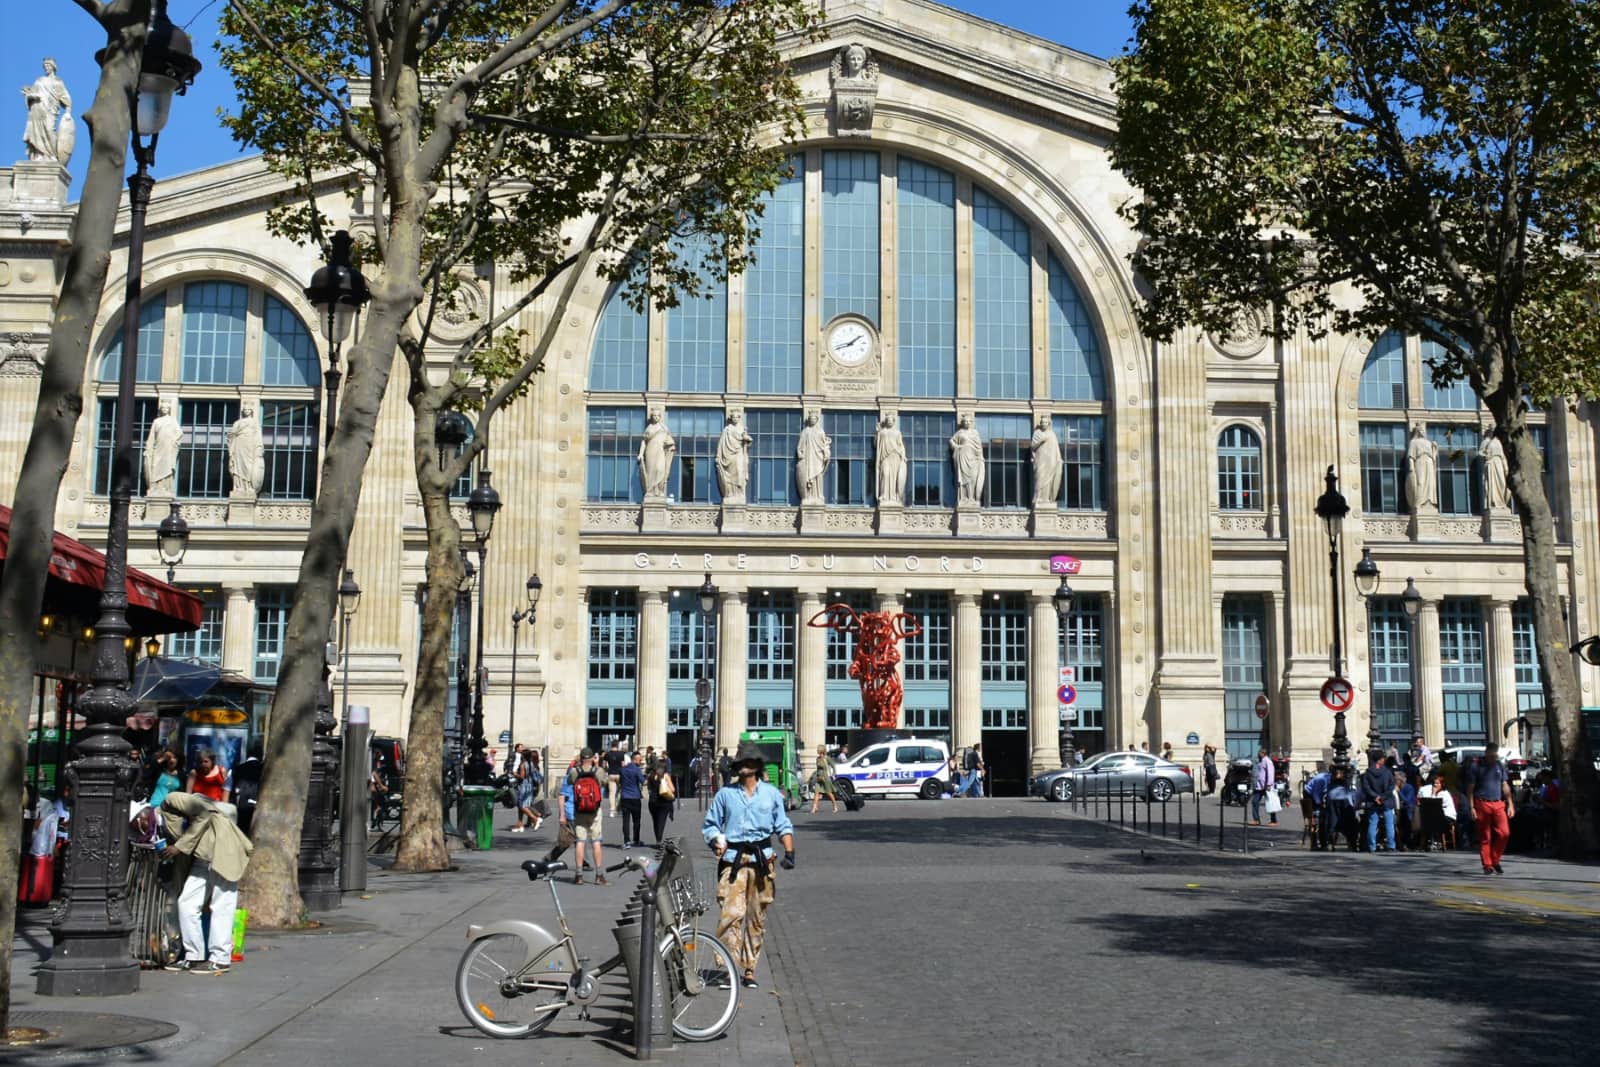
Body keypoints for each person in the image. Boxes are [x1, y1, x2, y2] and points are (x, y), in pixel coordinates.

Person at [702, 742, 796, 991]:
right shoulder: (725, 795)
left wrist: (789, 851)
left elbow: (783, 824)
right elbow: (710, 825)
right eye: (740, 763)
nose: (742, 766)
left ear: (755, 766)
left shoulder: (771, 794)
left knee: (756, 918)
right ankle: (729, 969)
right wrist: (716, 840)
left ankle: (749, 969)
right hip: (733, 860)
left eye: (747, 762)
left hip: (762, 861)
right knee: (730, 915)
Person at [161, 792, 253, 974]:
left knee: (221, 905)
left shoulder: (172, 799)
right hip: (203, 856)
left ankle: (220, 959)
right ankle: (193, 956)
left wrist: (178, 847)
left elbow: (204, 813)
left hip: (223, 848)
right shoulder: (162, 823)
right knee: (186, 903)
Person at [1463, 740, 1514, 874]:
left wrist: (1510, 804)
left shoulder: (1499, 765)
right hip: (1482, 803)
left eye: (1495, 756)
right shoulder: (1476, 766)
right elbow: (1470, 788)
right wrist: (1472, 807)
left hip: (1498, 803)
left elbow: (1504, 785)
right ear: (1486, 753)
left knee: (1504, 833)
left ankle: (1495, 859)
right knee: (1485, 837)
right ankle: (1488, 865)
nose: (1493, 758)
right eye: (1491, 755)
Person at [563, 748, 609, 884]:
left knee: (580, 842)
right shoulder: (598, 771)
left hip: (580, 810)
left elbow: (570, 782)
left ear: (581, 757)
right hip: (594, 810)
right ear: (592, 757)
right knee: (596, 842)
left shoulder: (574, 771)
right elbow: (604, 782)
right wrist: (597, 765)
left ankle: (579, 875)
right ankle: (599, 875)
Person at [1360, 753, 1398, 853]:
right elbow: (1391, 786)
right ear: (1381, 759)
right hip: (1386, 801)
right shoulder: (1387, 772)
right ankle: (1391, 845)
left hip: (1373, 801)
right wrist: (1383, 797)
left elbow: (1366, 787)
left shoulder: (1368, 772)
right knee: (1389, 824)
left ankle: (1372, 846)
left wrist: (1375, 796)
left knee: (1373, 823)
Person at [144, 399, 182, 496]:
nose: (165, 409)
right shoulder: (156, 421)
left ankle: (165, 488)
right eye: (163, 407)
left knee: (167, 467)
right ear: (160, 409)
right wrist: (148, 449)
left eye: (166, 408)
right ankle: (156, 487)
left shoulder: (172, 420)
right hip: (159, 447)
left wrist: (173, 440)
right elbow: (152, 436)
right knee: (155, 465)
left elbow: (179, 432)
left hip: (168, 448)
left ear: (169, 409)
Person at [795, 411, 831, 504]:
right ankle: (809, 495)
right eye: (810, 418)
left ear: (817, 420)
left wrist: (826, 452)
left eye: (814, 418)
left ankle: (818, 495)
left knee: (818, 476)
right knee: (808, 475)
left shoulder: (820, 431)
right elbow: (800, 445)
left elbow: (823, 445)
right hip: (808, 457)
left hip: (818, 457)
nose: (812, 420)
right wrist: (800, 453)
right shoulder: (805, 431)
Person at [229, 740, 264, 836]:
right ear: (261, 755)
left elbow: (229, 789)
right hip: (258, 808)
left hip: (241, 808)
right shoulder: (264, 770)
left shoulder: (237, 769)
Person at [949, 415, 984, 505]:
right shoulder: (960, 432)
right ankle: (964, 498)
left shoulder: (975, 433)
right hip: (963, 456)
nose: (967, 423)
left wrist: (980, 457)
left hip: (973, 459)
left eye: (969, 421)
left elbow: (979, 446)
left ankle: (971, 498)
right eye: (965, 421)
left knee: (973, 478)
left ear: (972, 423)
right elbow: (951, 441)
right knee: (964, 479)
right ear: (963, 423)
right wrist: (957, 446)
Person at [875, 414, 906, 503]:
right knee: (885, 474)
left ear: (893, 421)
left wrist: (903, 456)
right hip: (884, 457)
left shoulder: (897, 433)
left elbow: (901, 445)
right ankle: (884, 495)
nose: (889, 421)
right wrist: (877, 433)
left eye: (891, 420)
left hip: (895, 456)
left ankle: (892, 496)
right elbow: (876, 444)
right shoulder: (882, 432)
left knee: (894, 477)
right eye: (888, 420)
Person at [647, 758, 676, 844]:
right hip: (664, 801)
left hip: (652, 801)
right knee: (661, 821)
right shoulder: (665, 776)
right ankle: (658, 840)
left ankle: (657, 839)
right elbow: (672, 789)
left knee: (655, 821)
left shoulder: (651, 775)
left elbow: (649, 788)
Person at [619, 751, 645, 847]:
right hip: (635, 797)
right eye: (639, 759)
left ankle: (626, 840)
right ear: (634, 759)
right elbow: (643, 781)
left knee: (625, 820)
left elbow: (621, 782)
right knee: (636, 820)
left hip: (625, 796)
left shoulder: (623, 769)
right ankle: (636, 839)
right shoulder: (637, 770)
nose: (641, 761)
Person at [1303, 768, 1331, 850]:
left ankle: (1324, 841)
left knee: (1324, 816)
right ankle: (1316, 842)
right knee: (1318, 818)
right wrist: (1320, 805)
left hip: (1316, 795)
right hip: (1309, 795)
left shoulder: (1328, 779)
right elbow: (1316, 794)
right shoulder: (1322, 780)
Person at [1250, 747, 1277, 826]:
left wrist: (1269, 784)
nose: (1258, 754)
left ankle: (1274, 820)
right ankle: (1256, 820)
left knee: (1270, 803)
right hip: (1259, 786)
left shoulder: (1267, 761)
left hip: (1266, 786)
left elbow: (1270, 773)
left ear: (1263, 753)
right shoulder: (1261, 761)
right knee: (1254, 801)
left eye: (1259, 753)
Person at [810, 744, 838, 814]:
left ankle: (834, 805)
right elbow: (817, 768)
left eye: (819, 750)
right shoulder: (817, 758)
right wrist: (816, 775)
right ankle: (814, 807)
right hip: (819, 777)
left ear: (822, 750)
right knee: (816, 792)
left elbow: (833, 765)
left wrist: (834, 773)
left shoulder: (826, 758)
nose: (818, 751)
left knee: (828, 792)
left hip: (825, 777)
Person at [604, 740, 626, 816]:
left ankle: (612, 811)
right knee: (621, 791)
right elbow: (623, 765)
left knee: (612, 793)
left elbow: (604, 765)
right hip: (619, 774)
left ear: (611, 745)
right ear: (617, 745)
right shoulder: (621, 754)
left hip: (611, 774)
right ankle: (618, 807)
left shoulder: (607, 754)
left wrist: (607, 770)